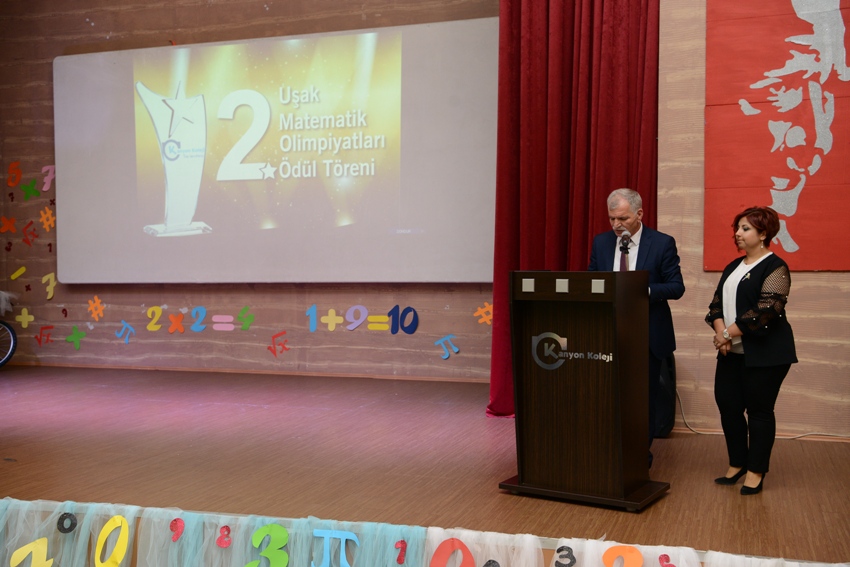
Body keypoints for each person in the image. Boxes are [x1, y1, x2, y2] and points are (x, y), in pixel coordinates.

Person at [588, 188, 685, 467]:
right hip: (609, 333)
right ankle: (608, 452)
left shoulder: (662, 243)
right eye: (612, 219)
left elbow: (676, 287)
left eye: (623, 218)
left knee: (643, 400)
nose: (616, 225)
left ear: (639, 214)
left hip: (647, 334)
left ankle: (639, 458)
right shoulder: (602, 242)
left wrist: (642, 290)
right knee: (608, 396)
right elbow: (592, 279)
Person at [706, 206, 796, 495]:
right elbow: (716, 305)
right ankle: (738, 463)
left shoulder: (776, 267)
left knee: (759, 412)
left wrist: (725, 334)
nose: (738, 233)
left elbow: (765, 310)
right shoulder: (733, 266)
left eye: (745, 228)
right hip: (731, 351)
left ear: (763, 234)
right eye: (737, 228)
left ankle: (756, 470)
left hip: (767, 354)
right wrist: (722, 335)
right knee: (728, 407)